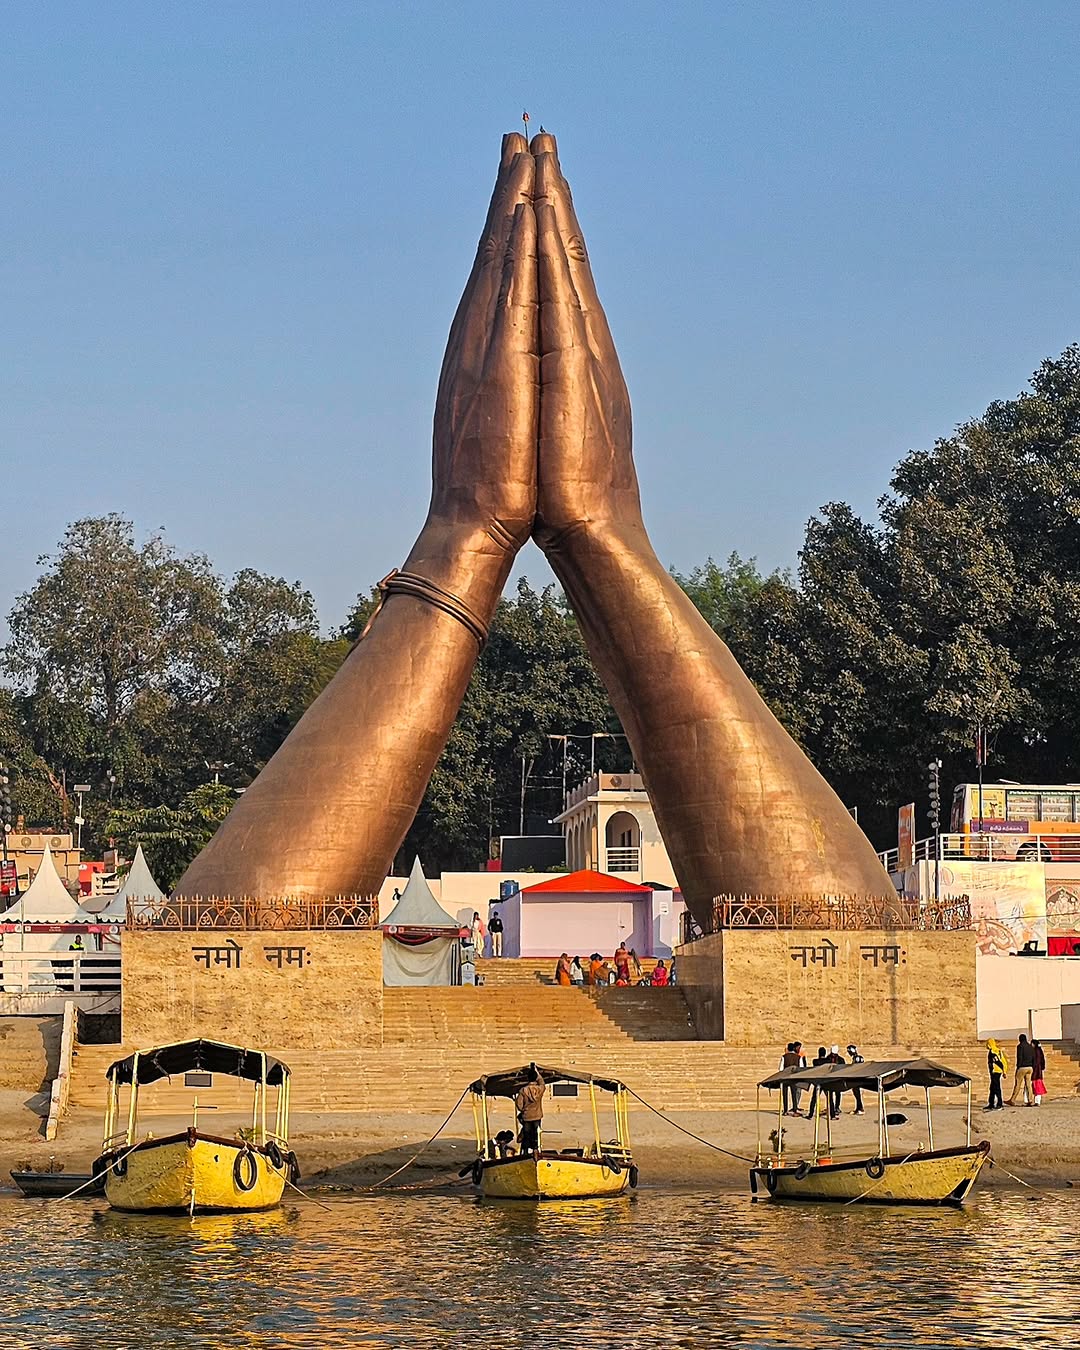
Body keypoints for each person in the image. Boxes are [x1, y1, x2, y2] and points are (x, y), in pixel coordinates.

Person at [515, 1065, 545, 1153]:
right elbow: (542, 1082)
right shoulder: (540, 1089)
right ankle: (536, 1151)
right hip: (537, 1115)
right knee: (536, 1135)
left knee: (526, 1135)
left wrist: (523, 1110)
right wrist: (537, 1073)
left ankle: (525, 1152)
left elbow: (519, 1104)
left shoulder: (523, 1090)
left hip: (527, 1116)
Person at [1007, 1033, 1036, 1105]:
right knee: (1028, 1085)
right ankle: (1030, 1100)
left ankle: (1012, 1100)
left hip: (1022, 1067)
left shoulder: (1020, 1046)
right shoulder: (1030, 1047)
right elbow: (1034, 1057)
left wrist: (1018, 1066)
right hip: (1030, 1067)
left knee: (1018, 1084)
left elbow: (1020, 1057)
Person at [779, 1042, 804, 1117]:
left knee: (785, 1094)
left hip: (785, 1077)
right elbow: (801, 1067)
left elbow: (780, 1069)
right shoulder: (798, 1057)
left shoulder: (784, 1057)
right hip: (794, 1077)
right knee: (794, 1093)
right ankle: (795, 1109)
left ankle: (785, 1110)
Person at [985, 1038, 1007, 1110]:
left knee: (996, 1088)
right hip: (999, 1071)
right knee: (992, 1088)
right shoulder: (999, 1050)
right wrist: (1004, 1071)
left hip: (995, 1072)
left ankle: (999, 1104)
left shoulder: (992, 1052)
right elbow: (1004, 1061)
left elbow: (997, 1062)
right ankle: (991, 1103)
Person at [824, 1045, 846, 1119]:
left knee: (838, 1094)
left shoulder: (841, 1060)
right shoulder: (827, 1059)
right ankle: (832, 1108)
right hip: (829, 1079)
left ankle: (837, 1107)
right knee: (830, 1096)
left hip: (838, 1079)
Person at [846, 1044, 865, 1115]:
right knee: (856, 1094)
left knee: (857, 1094)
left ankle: (860, 1108)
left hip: (857, 1078)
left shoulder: (856, 1058)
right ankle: (858, 1108)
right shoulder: (857, 1057)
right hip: (857, 1077)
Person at [1032, 1039, 1047, 1106]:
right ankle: (1037, 1101)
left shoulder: (1034, 1051)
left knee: (1035, 1085)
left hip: (1035, 1071)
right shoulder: (1040, 1051)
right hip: (1039, 1071)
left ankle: (1035, 1101)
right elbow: (1042, 1060)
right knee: (1038, 1085)